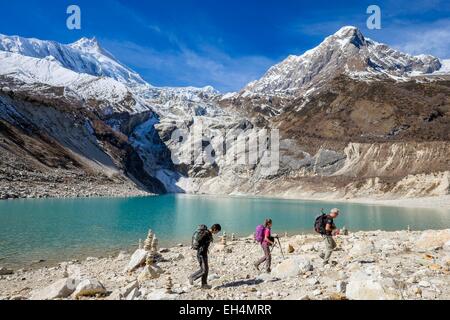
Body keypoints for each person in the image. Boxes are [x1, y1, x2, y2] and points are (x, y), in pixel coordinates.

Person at [189, 224, 222, 289]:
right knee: (204, 270)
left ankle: (204, 284)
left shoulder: (208, 233)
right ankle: (192, 277)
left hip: (204, 253)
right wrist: (200, 247)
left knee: (205, 269)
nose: (217, 233)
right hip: (201, 254)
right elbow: (198, 241)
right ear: (215, 229)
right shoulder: (206, 233)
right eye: (217, 231)